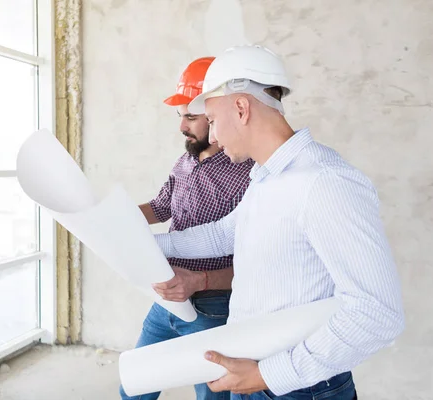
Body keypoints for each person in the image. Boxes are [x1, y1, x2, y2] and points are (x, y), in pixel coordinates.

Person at [154, 45, 405, 400]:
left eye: (211, 120)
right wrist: (143, 244)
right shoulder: (266, 176)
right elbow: (224, 234)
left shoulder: (324, 182)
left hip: (297, 389)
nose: (211, 138)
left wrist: (270, 375)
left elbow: (378, 313)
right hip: (258, 377)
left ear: (241, 108)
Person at [120, 57, 255, 400]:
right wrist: (110, 218)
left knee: (214, 394)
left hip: (214, 306)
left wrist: (199, 281)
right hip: (167, 297)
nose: (182, 126)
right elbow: (161, 206)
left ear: (218, 113)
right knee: (135, 384)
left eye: (192, 117)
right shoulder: (186, 160)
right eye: (180, 116)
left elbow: (254, 261)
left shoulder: (249, 173)